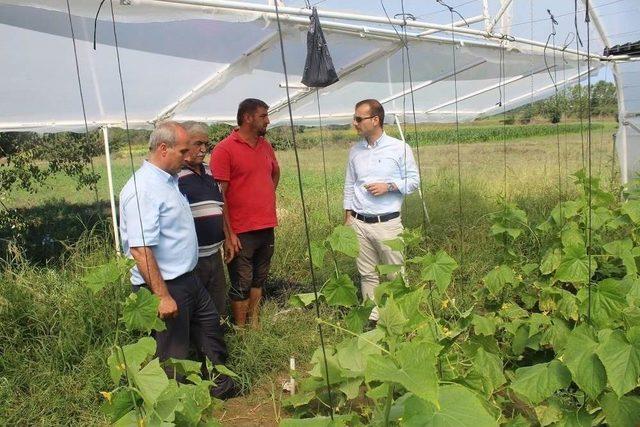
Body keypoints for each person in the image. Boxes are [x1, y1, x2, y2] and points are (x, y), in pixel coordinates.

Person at [119, 121, 237, 398]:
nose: (188, 156)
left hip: (188, 278)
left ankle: (220, 388)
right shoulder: (142, 189)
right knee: (173, 351)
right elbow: (140, 249)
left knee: (210, 329)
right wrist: (161, 296)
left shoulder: (168, 181)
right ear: (163, 148)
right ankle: (173, 402)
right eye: (183, 150)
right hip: (165, 284)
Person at [343, 99, 420, 322]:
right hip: (359, 222)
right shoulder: (355, 151)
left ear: (375, 120)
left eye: (359, 118)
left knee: (394, 274)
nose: (355, 123)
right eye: (355, 118)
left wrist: (389, 186)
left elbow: (414, 181)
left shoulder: (399, 148)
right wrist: (348, 216)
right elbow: (350, 185)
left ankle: (400, 318)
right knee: (367, 273)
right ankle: (373, 318)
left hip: (387, 224)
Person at [210, 98, 280, 328]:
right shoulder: (224, 149)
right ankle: (240, 330)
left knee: (259, 278)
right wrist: (229, 234)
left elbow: (274, 174)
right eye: (263, 116)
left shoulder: (265, 145)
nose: (268, 121)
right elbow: (220, 196)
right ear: (248, 117)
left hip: (265, 224)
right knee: (242, 281)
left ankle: (255, 324)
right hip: (240, 230)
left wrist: (263, 198)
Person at [178, 121, 231, 320]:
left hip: (214, 254)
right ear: (183, 143)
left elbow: (220, 205)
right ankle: (198, 348)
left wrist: (227, 235)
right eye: (197, 143)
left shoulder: (209, 171)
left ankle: (216, 345)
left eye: (206, 145)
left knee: (218, 304)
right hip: (192, 258)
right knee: (196, 309)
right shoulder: (174, 175)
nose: (203, 149)